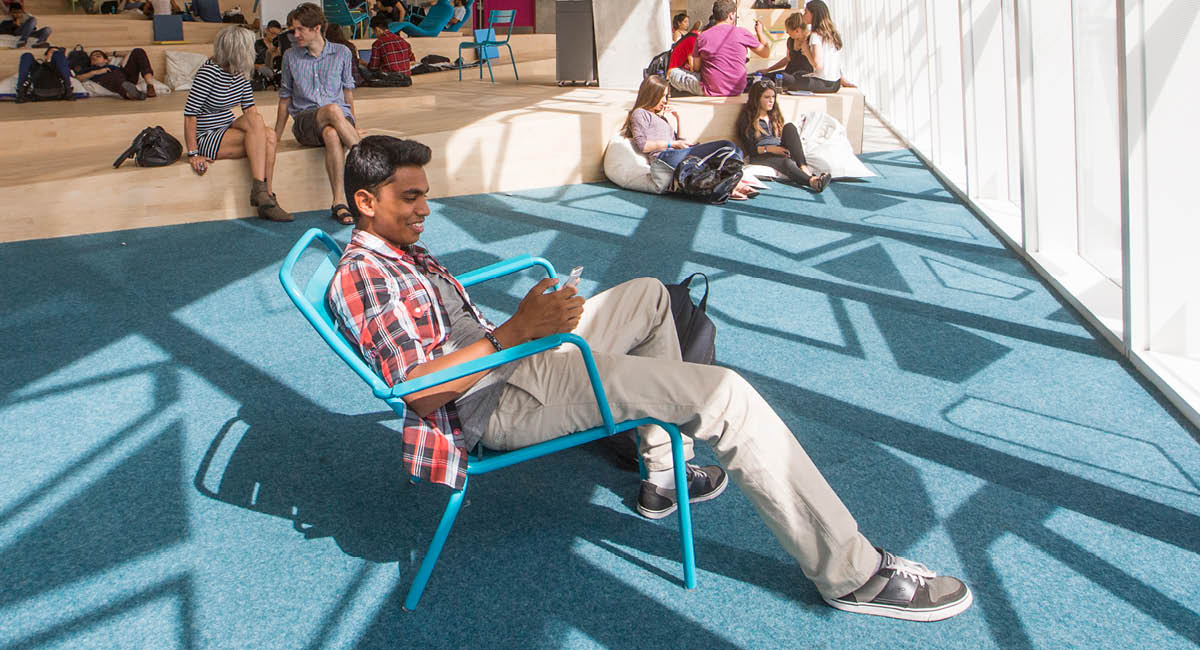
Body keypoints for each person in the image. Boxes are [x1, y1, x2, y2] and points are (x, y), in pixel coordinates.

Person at [326, 134, 976, 623]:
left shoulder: (397, 250)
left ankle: (663, 474)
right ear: (364, 201)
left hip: (516, 360)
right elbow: (417, 390)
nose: (424, 209)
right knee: (727, 398)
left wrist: (529, 324)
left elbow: (450, 329)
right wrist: (518, 331)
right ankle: (852, 573)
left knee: (648, 296)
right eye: (411, 198)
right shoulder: (365, 274)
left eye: (424, 194)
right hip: (498, 399)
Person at [184, 26, 291, 222]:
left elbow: (249, 109)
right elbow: (190, 115)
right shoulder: (208, 72)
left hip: (228, 128)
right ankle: (265, 195)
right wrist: (192, 154)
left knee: (266, 132)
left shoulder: (241, 72)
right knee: (264, 134)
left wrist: (265, 136)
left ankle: (264, 194)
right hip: (208, 136)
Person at [274, 2, 363, 226]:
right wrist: (275, 136)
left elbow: (348, 94)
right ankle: (366, 159)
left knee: (333, 133)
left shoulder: (342, 52)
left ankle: (338, 202)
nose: (295, 35)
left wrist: (354, 126)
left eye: (300, 29)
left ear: (316, 28)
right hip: (306, 122)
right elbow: (285, 98)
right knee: (332, 110)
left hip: (339, 119)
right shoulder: (290, 56)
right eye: (293, 29)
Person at [625, 75, 756, 201]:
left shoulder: (661, 117)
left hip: (676, 153)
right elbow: (643, 145)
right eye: (662, 96)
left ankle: (728, 185)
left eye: (666, 96)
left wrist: (678, 119)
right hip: (664, 158)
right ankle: (731, 185)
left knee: (735, 150)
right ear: (651, 95)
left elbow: (680, 140)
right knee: (726, 145)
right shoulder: (640, 113)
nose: (665, 100)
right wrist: (672, 144)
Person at [737, 79, 830, 192]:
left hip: (779, 147)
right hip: (762, 154)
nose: (771, 101)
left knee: (789, 127)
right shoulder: (747, 119)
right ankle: (813, 182)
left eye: (773, 97)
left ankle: (804, 167)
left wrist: (782, 149)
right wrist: (772, 149)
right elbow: (751, 150)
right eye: (767, 97)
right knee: (787, 162)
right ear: (757, 99)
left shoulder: (774, 115)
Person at [667, 0, 771, 97]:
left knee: (672, 73)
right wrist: (760, 33)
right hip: (737, 89)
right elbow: (765, 53)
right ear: (731, 15)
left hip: (710, 89)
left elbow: (696, 68)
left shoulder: (702, 36)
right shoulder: (742, 33)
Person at [790, 0, 843, 93]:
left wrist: (806, 51)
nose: (803, 15)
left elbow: (817, 65)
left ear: (813, 14)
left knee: (786, 79)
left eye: (806, 12)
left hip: (824, 83)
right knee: (799, 74)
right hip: (836, 84)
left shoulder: (815, 35)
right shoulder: (832, 33)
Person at [76, 48, 159, 100]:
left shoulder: (112, 66)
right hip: (109, 78)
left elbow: (130, 53)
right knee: (115, 78)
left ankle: (150, 86)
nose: (94, 57)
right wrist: (95, 72)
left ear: (106, 60)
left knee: (138, 51)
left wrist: (112, 53)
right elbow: (78, 78)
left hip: (125, 73)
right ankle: (132, 94)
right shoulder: (90, 69)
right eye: (92, 57)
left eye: (98, 56)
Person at [761, 11, 814, 82]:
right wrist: (768, 70)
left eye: (788, 30)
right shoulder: (790, 40)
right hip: (788, 73)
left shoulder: (812, 40)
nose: (787, 32)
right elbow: (787, 59)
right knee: (762, 77)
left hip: (803, 77)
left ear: (797, 31)